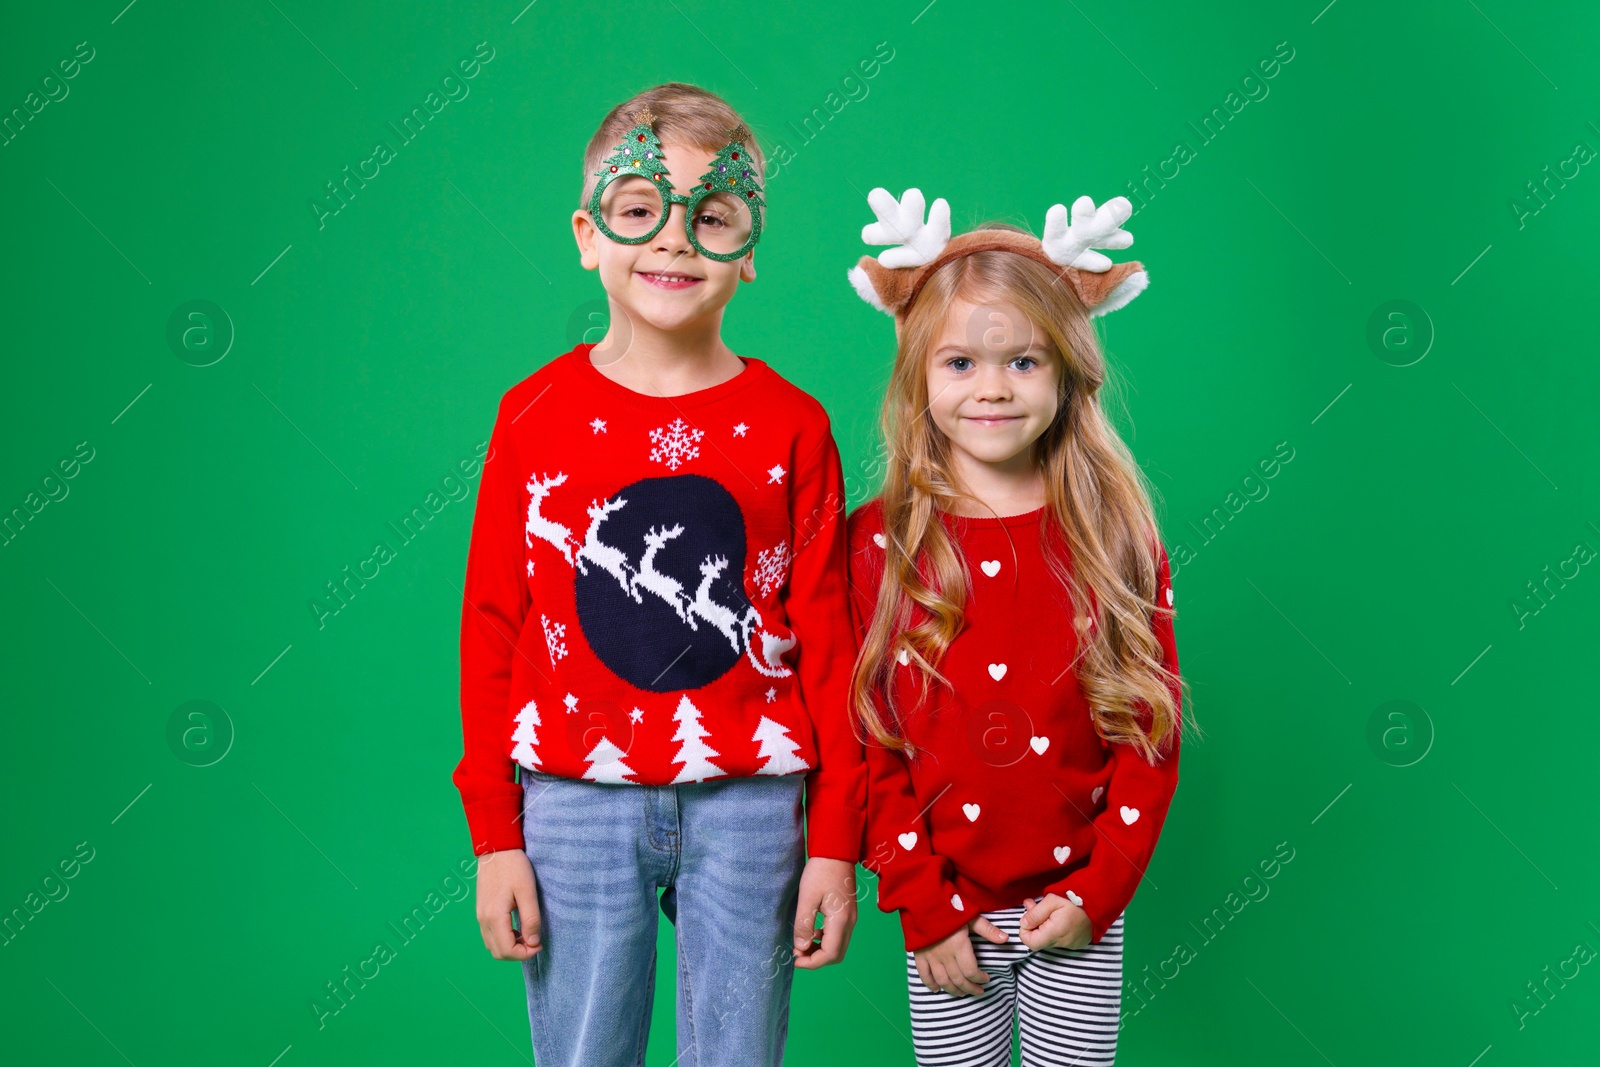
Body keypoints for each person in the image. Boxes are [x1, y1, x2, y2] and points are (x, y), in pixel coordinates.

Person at [452, 83, 865, 1067]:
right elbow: (492, 622)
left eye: (711, 215)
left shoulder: (794, 424)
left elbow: (831, 638)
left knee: (737, 1052)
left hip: (754, 803)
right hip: (570, 797)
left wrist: (837, 839)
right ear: (588, 234)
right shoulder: (532, 414)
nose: (674, 239)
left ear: (749, 247)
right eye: (640, 209)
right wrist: (493, 832)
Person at [843, 188, 1194, 1066]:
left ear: (1070, 371)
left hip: (1075, 901)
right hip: (945, 907)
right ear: (918, 373)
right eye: (960, 362)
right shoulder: (879, 539)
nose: (992, 388)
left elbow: (1150, 733)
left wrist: (1099, 890)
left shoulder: (1113, 530)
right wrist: (921, 902)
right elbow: (867, 743)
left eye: (1024, 362)